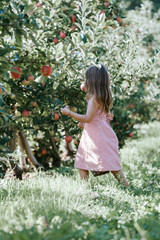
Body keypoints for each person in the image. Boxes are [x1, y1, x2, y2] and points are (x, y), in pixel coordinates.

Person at [61, 64, 129, 187]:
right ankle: (125, 185)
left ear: (92, 81)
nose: (84, 81)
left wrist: (69, 113)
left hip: (97, 136)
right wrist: (88, 124)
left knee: (83, 162)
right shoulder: (104, 96)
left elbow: (88, 118)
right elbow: (102, 116)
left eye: (86, 78)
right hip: (102, 132)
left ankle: (85, 188)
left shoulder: (94, 99)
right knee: (110, 161)